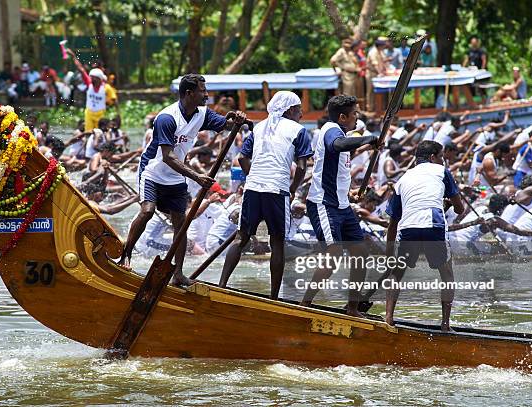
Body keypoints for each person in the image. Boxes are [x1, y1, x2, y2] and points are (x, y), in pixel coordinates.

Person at [119, 74, 246, 286]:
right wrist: (197, 176)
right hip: (153, 171)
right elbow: (168, 156)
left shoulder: (202, 114)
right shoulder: (167, 118)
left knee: (182, 224)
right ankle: (125, 255)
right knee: (148, 211)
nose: (206, 95)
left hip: (176, 177)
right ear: (189, 93)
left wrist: (235, 119)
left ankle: (177, 274)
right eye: (203, 91)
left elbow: (225, 125)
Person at [218, 91, 312, 300]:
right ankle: (273, 298)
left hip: (253, 189)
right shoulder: (299, 130)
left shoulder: (259, 127)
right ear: (289, 110)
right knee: (277, 243)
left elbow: (242, 158)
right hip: (277, 190)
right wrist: (293, 188)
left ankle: (222, 285)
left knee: (241, 238)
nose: (301, 115)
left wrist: (254, 176)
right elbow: (303, 167)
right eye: (298, 110)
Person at [300, 95, 379, 316]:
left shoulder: (342, 133)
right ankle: (305, 305)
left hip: (342, 205)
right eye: (355, 114)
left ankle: (352, 308)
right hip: (323, 203)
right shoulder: (331, 129)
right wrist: (368, 139)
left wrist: (351, 193)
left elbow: (340, 173)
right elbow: (337, 145)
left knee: (361, 253)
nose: (357, 117)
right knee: (333, 254)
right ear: (343, 117)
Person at [384, 140, 464, 331]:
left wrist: (389, 253)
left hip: (408, 226)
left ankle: (388, 319)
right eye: (442, 157)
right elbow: (460, 209)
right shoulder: (441, 171)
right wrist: (449, 203)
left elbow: (393, 223)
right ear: (433, 157)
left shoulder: (403, 179)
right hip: (433, 224)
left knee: (396, 274)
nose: (443, 161)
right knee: (447, 274)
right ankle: (445, 325)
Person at [67, 49, 111, 132]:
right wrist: (73, 56)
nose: (91, 78)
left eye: (93, 77)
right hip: (89, 113)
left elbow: (114, 100)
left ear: (99, 79)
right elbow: (81, 69)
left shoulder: (105, 87)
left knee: (100, 133)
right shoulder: (89, 83)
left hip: (100, 114)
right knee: (89, 133)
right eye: (91, 76)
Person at [366, 38, 387, 112]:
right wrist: (380, 73)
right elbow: (375, 64)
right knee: (371, 91)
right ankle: (370, 109)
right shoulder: (373, 52)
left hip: (378, 73)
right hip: (372, 73)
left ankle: (378, 108)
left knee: (379, 91)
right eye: (383, 45)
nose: (385, 47)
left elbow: (383, 61)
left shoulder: (380, 51)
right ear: (380, 46)